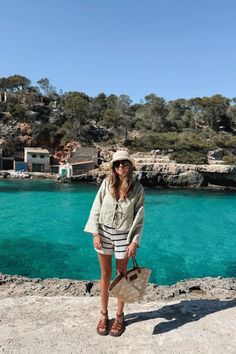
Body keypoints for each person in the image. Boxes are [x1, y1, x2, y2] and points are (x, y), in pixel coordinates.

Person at [84, 150, 145, 337]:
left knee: (121, 276)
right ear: (113, 167)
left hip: (123, 238)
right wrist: (95, 232)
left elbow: (139, 218)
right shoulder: (106, 184)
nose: (121, 167)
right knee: (104, 275)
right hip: (103, 234)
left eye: (124, 163)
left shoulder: (137, 189)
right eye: (117, 164)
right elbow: (96, 208)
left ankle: (119, 317)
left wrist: (134, 242)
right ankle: (104, 315)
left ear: (130, 166)